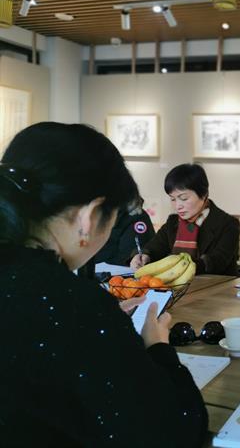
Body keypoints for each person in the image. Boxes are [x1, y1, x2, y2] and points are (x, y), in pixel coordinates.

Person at [0, 122, 207, 446]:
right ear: (90, 216)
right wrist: (156, 346)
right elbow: (173, 430)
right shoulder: (78, 305)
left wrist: (106, 327)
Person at [130, 163, 240, 276]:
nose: (178, 206)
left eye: (183, 198)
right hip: (177, 284)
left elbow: (217, 262)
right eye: (173, 199)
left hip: (218, 285)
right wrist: (144, 255)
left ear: (203, 194)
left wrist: (179, 265)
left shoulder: (228, 224)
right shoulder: (173, 222)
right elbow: (155, 247)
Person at [94, 197, 155, 265]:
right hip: (95, 267)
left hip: (118, 269)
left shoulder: (136, 216)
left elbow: (133, 256)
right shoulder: (93, 211)